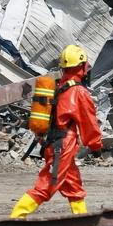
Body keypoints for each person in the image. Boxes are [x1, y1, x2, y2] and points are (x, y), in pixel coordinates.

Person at [11, 45, 103, 217]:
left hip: (51, 143)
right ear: (83, 66)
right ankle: (15, 219)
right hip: (63, 146)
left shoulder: (58, 86)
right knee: (46, 186)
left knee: (73, 184)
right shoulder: (78, 91)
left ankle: (82, 221)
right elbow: (88, 123)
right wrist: (95, 146)